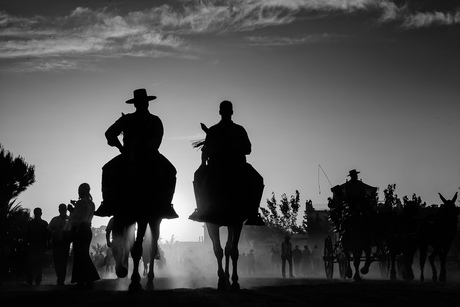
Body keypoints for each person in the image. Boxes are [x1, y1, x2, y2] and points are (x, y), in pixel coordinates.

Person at [95, 88, 178, 220]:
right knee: (107, 169)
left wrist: (127, 148)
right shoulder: (129, 119)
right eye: (140, 102)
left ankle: (166, 204)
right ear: (136, 104)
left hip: (146, 154)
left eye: (143, 102)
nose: (142, 104)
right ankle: (108, 202)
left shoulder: (153, 120)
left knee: (171, 171)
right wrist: (121, 147)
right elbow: (109, 133)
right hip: (132, 153)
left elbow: (157, 139)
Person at [189, 100, 264, 225]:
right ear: (225, 112)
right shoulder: (217, 130)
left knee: (258, 179)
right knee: (198, 176)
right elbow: (207, 150)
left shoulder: (236, 130)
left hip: (233, 164)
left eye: (226, 110)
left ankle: (253, 212)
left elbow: (248, 149)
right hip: (221, 165)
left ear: (228, 112)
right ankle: (201, 208)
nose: (226, 113)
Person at [69, 183, 100, 289]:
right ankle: (87, 279)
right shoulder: (92, 203)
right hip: (87, 230)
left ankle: (83, 279)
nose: (78, 192)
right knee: (84, 254)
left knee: (79, 255)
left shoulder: (80, 203)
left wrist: (71, 211)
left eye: (79, 190)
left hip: (80, 230)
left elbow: (76, 218)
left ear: (82, 191)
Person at [47, 203, 71, 285]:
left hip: (65, 242)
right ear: (59, 210)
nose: (62, 210)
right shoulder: (55, 220)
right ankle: (60, 277)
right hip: (56, 242)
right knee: (57, 261)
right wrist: (48, 242)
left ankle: (61, 279)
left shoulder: (70, 219)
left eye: (63, 209)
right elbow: (49, 231)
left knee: (64, 262)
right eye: (61, 209)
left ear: (66, 210)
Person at [25, 207, 50, 286]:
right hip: (37, 246)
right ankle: (35, 281)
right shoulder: (44, 223)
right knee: (36, 264)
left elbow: (47, 236)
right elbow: (47, 236)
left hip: (36, 246)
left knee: (34, 264)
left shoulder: (31, 223)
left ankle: (32, 281)